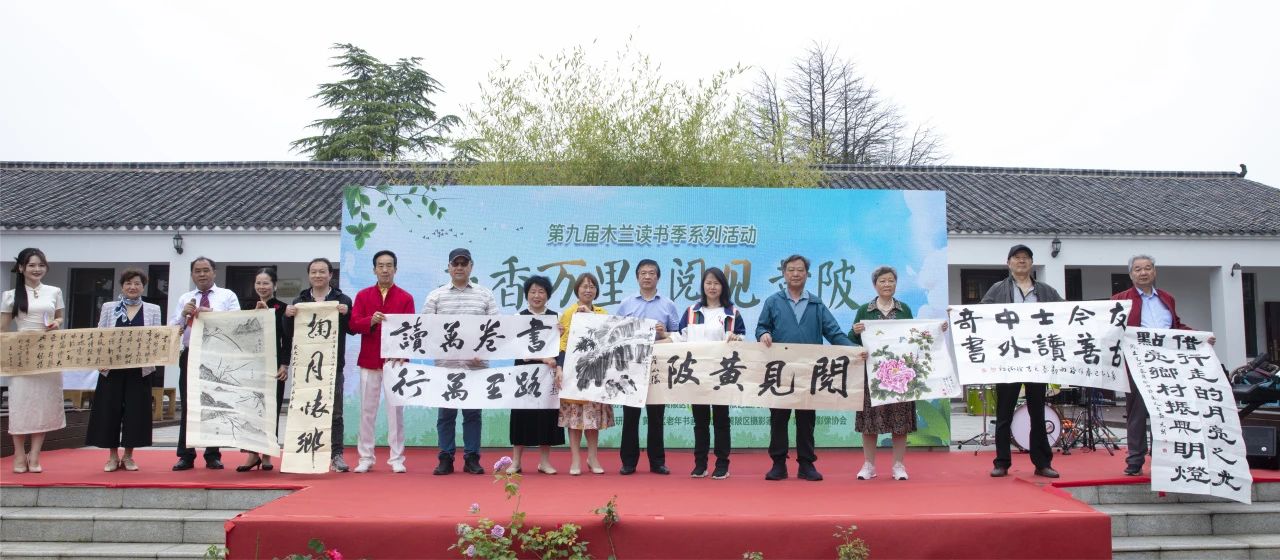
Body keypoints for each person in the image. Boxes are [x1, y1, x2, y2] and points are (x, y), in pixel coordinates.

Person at [756, 254, 859, 482]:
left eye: (800, 270)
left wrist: (854, 350)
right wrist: (764, 334)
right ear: (784, 274)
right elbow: (761, 327)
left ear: (807, 274)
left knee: (806, 419)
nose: (795, 274)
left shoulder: (816, 304)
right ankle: (778, 464)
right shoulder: (773, 302)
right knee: (778, 418)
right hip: (780, 372)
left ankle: (806, 464)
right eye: (791, 269)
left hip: (809, 373)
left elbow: (834, 333)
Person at [1112, 254, 1213, 476]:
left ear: (1154, 271)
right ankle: (1135, 461)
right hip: (1137, 364)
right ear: (1131, 274)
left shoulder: (1167, 298)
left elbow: (1176, 327)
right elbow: (1112, 330)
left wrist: (1199, 337)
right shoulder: (1121, 300)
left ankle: (1165, 458)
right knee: (1137, 413)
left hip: (1167, 364)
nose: (1143, 273)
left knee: (1167, 411)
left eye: (1147, 268)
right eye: (1138, 269)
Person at [981, 244, 1062, 479]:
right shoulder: (997, 289)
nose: (1021, 261)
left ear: (1032, 263)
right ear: (1008, 263)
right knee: (1004, 413)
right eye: (1016, 258)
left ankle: (1042, 463)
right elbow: (981, 315)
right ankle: (1002, 462)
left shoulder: (1045, 291)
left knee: (1038, 412)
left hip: (1037, 358)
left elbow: (1066, 311)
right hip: (1008, 358)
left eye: (1026, 257)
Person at [850, 266, 936, 481]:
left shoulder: (904, 309)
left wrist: (936, 330)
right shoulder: (865, 310)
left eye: (891, 281)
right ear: (875, 285)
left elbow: (915, 336)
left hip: (900, 374)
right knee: (869, 421)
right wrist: (855, 332)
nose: (887, 284)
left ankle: (898, 465)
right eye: (882, 281)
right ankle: (869, 465)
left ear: (896, 284)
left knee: (900, 420)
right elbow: (851, 340)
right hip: (873, 375)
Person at [422, 248, 499, 476]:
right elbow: (426, 328)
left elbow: (496, 329)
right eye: (455, 264)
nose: (459, 268)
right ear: (448, 267)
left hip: (476, 366)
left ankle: (472, 458)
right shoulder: (436, 296)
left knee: (473, 414)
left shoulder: (484, 295)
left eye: (464, 264)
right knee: (446, 415)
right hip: (446, 367)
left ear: (471, 267)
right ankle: (445, 458)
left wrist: (483, 352)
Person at [86, 269, 163, 472]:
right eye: (128, 283)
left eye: (137, 283)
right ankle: (112, 456)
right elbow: (100, 335)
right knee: (109, 411)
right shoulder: (109, 307)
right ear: (122, 286)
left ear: (143, 287)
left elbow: (157, 337)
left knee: (135, 412)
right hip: (112, 369)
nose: (132, 287)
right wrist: (100, 359)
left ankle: (129, 456)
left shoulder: (153, 309)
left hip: (139, 370)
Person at [672, 267, 745, 480]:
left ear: (723, 286)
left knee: (721, 420)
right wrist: (656, 340)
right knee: (700, 421)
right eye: (708, 283)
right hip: (697, 375)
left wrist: (738, 339)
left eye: (716, 283)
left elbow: (742, 338)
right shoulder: (692, 311)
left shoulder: (732, 313)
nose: (712, 287)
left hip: (722, 375)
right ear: (703, 286)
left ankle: (722, 464)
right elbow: (679, 338)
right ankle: (700, 464)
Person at [284, 257, 355, 472]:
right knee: (305, 409)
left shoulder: (342, 299)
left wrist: (347, 314)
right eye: (313, 271)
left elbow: (351, 329)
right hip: (306, 368)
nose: (318, 275)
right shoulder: (300, 300)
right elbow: (289, 333)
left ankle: (336, 455)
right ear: (308, 275)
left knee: (335, 412)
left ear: (330, 275)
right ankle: (304, 454)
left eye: (322, 271)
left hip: (333, 366)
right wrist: (287, 317)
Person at [172, 256, 241, 471]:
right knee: (189, 404)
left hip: (217, 356)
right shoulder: (185, 298)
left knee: (215, 403)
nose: (202, 274)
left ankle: (212, 454)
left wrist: (210, 313)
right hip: (190, 353)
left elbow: (236, 322)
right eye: (197, 271)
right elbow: (173, 329)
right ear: (192, 274)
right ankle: (186, 455)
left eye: (206, 270)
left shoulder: (227, 296)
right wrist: (183, 315)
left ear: (214, 272)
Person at [350, 250, 415, 473]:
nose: (385, 270)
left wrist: (404, 355)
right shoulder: (363, 295)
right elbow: (353, 324)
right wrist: (371, 320)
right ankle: (365, 457)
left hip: (395, 362)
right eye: (380, 265)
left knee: (395, 412)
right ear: (374, 269)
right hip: (369, 360)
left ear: (395, 269)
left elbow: (410, 331)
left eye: (389, 265)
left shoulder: (405, 297)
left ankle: (397, 458)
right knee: (367, 411)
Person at [2, 248, 65, 474]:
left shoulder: (54, 291)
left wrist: (57, 323)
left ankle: (35, 454)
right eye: (31, 265)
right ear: (21, 268)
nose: (37, 269)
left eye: (41, 265)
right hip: (21, 355)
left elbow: (59, 317)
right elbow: (3, 329)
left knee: (42, 405)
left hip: (47, 354)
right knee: (21, 405)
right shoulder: (10, 295)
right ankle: (19, 454)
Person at [615, 258, 680, 475]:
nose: (647, 276)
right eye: (643, 273)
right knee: (630, 417)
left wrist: (663, 333)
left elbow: (677, 336)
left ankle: (657, 462)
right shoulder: (626, 304)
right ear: (637, 277)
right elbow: (615, 334)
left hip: (657, 367)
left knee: (656, 417)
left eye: (652, 273)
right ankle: (628, 462)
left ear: (658, 277)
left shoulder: (668, 305)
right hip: (631, 367)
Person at [507, 275, 564, 474]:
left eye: (541, 291)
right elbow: (518, 349)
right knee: (520, 416)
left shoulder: (556, 317)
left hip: (547, 375)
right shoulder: (518, 317)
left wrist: (561, 334)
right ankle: (516, 462)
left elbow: (561, 347)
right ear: (526, 295)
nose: (537, 296)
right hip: (524, 374)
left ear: (548, 295)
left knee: (546, 416)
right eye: (533, 292)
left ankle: (544, 462)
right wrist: (543, 358)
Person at [557, 273, 613, 476]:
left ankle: (592, 457)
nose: (588, 290)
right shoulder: (568, 313)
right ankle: (575, 459)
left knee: (592, 419)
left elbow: (606, 340)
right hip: (573, 373)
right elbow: (562, 343)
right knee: (574, 419)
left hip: (595, 372)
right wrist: (560, 367)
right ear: (577, 290)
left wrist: (589, 316)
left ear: (596, 291)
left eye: (592, 287)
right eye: (584, 286)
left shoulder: (602, 313)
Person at [235, 268, 289, 472]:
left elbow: (287, 339)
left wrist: (284, 364)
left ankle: (267, 454)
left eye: (266, 283)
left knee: (270, 410)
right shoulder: (246, 307)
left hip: (274, 367)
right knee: (249, 410)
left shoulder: (283, 308)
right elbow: (240, 335)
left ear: (275, 285)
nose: (262, 287)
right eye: (258, 283)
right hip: (249, 367)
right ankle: (251, 454)